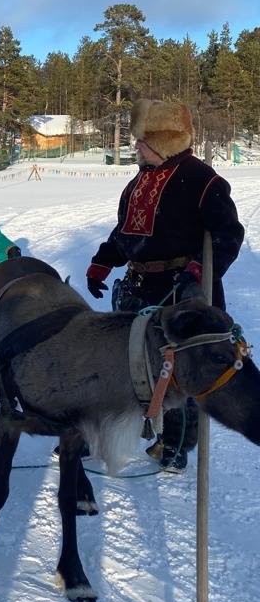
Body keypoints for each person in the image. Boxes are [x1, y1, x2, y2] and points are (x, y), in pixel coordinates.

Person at [86, 98, 245, 472]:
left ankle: (175, 445)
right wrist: (103, 262)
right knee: (128, 364)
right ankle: (116, 434)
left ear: (163, 141)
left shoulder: (205, 181)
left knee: (178, 372)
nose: (136, 147)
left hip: (183, 288)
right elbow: (125, 231)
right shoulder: (138, 181)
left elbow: (228, 235)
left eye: (142, 141)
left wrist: (198, 271)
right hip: (138, 283)